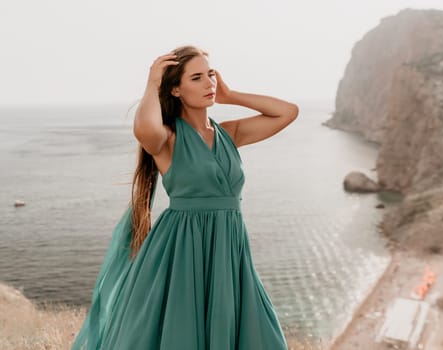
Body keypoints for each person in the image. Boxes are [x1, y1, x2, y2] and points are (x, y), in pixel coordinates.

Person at [71, 45, 299, 350]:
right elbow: (144, 128)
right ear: (176, 89)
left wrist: (230, 96)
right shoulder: (168, 139)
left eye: (211, 75)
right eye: (197, 78)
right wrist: (152, 83)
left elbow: (288, 112)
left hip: (229, 248)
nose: (209, 83)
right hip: (181, 249)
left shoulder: (229, 134)